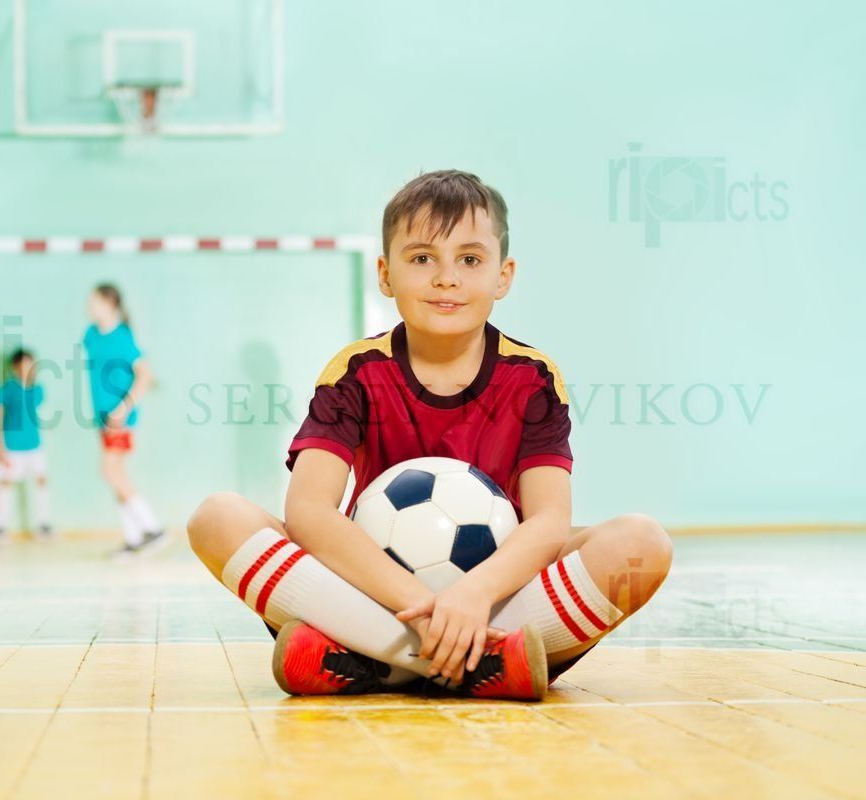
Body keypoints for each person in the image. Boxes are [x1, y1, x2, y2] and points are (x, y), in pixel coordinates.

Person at [186, 171, 673, 700]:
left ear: (503, 275)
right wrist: (424, 603)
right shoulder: (356, 372)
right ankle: (475, 664)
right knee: (217, 518)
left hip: (495, 597)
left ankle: (372, 662)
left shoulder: (532, 378)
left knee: (640, 545)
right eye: (421, 259)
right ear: (385, 274)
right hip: (374, 594)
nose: (446, 278)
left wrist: (473, 594)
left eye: (469, 259)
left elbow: (549, 520)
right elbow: (309, 511)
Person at [83, 284, 166, 556]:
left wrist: (124, 407)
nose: (89, 306)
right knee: (117, 475)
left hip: (120, 418)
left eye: (94, 301)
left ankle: (153, 529)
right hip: (101, 416)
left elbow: (145, 375)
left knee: (109, 470)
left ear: (109, 303)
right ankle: (133, 539)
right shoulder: (91, 335)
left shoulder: (123, 336)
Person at [0, 349, 52, 540]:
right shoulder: (7, 389)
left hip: (34, 444)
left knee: (41, 481)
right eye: (24, 365)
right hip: (12, 445)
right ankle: (0, 527)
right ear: (15, 367)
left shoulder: (38, 389)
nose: (28, 369)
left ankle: (43, 525)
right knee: (6, 483)